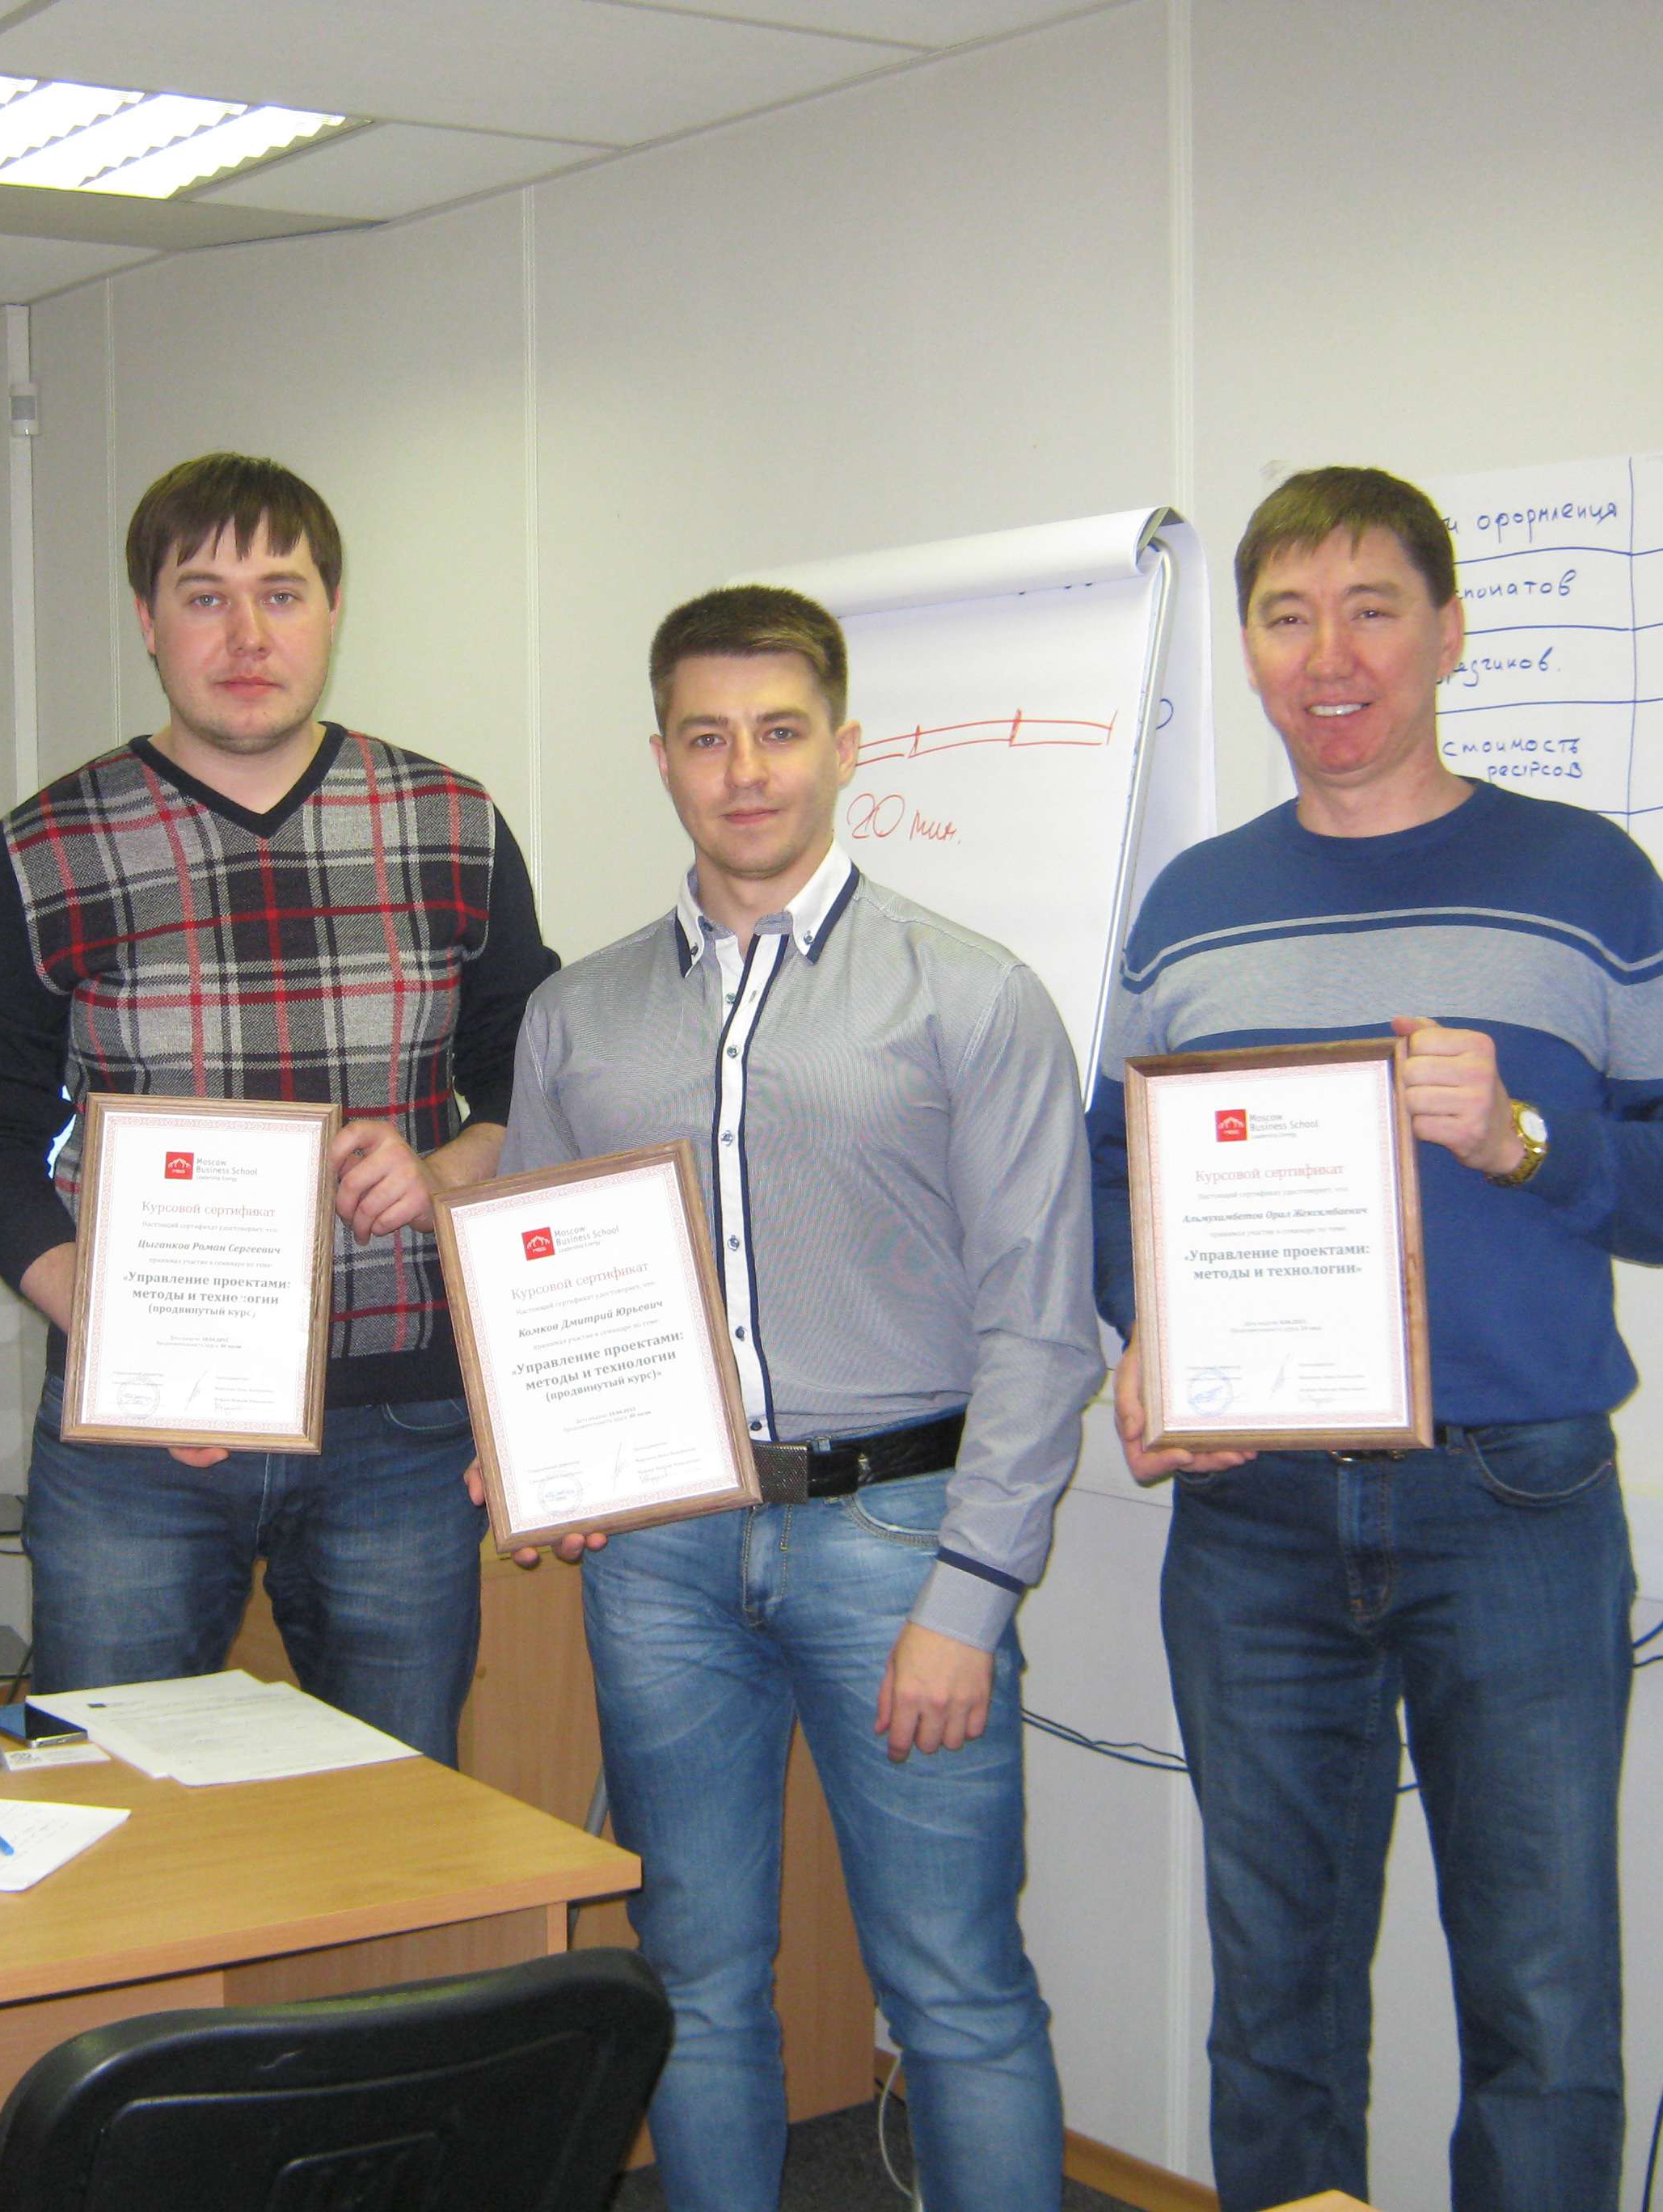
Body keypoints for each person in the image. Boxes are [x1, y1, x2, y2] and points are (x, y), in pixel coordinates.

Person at [1089, 467, 1663, 2212]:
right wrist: (1145, 1339)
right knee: (1274, 2004)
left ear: (1449, 633)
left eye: (1372, 609)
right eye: (1287, 616)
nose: (1330, 657)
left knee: (1541, 2001)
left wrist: (1526, 1139)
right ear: (1252, 650)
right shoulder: (1192, 905)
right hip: (1252, 1511)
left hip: (1516, 1507)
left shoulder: (1582, 878)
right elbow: (1112, 1177)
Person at [488, 585, 1100, 2212]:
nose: (744, 772)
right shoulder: (576, 1016)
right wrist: (537, 1451)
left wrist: (971, 1595)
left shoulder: (970, 993)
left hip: (899, 1542)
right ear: (662, 758)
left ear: (846, 747)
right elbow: (538, 1276)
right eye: (707, 738)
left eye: (778, 733)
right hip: (663, 1557)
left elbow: (1043, 1326)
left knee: (954, 1990)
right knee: (693, 1977)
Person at [0, 453, 557, 1762]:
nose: (246, 635)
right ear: (147, 619)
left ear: (334, 611)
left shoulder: (452, 825)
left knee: (391, 1811)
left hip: (400, 1431)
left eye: (281, 593)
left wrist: (450, 1167)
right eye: (204, 596)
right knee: (114, 1801)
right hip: (139, 1446)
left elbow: (535, 1075)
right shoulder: (44, 849)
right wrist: (106, 1322)